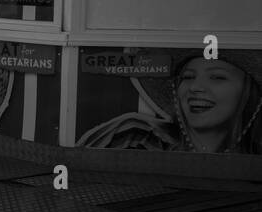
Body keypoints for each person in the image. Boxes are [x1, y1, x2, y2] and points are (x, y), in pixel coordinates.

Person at [79, 53, 262, 153]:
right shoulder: (134, 135)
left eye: (217, 77)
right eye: (188, 77)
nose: (195, 87)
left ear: (249, 92)